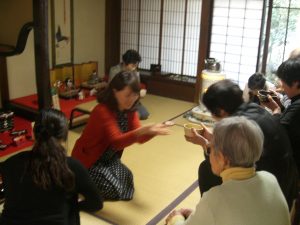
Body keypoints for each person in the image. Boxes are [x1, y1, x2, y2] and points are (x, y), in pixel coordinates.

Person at [186, 79, 298, 209]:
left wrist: (205, 144)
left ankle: (213, 211)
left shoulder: (237, 126)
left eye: (212, 112)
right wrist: (213, 139)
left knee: (207, 170)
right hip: (286, 185)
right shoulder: (256, 109)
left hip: (268, 195)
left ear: (220, 111)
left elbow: (221, 164)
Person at [166, 116, 290, 225]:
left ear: (222, 159)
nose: (208, 151)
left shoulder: (214, 199)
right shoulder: (270, 178)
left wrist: (176, 218)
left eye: (211, 148)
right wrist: (200, 215)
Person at [72, 71, 171, 201]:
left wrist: (153, 132)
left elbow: (139, 139)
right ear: (114, 91)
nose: (132, 99)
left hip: (108, 160)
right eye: (127, 95)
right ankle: (78, 182)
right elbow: (116, 142)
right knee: (113, 189)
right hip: (89, 162)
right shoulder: (102, 111)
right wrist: (142, 130)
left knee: (127, 179)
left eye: (135, 94)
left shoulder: (130, 110)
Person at [0, 109, 103, 225]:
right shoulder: (72, 167)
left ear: (34, 133)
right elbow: (96, 203)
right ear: (64, 135)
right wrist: (72, 205)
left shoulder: (10, 163)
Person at [263, 58, 300, 173]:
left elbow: (278, 133)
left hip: (292, 167)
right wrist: (280, 106)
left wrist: (276, 110)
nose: (282, 87)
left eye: (283, 83)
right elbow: (291, 121)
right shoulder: (295, 102)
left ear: (295, 83)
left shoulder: (298, 105)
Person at [109, 49, 149, 120]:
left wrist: (139, 93)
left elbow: (136, 88)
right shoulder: (115, 70)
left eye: (136, 65)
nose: (135, 68)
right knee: (130, 115)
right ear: (125, 63)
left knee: (144, 114)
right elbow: (112, 89)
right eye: (133, 65)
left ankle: (126, 115)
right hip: (118, 100)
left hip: (131, 100)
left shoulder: (134, 71)